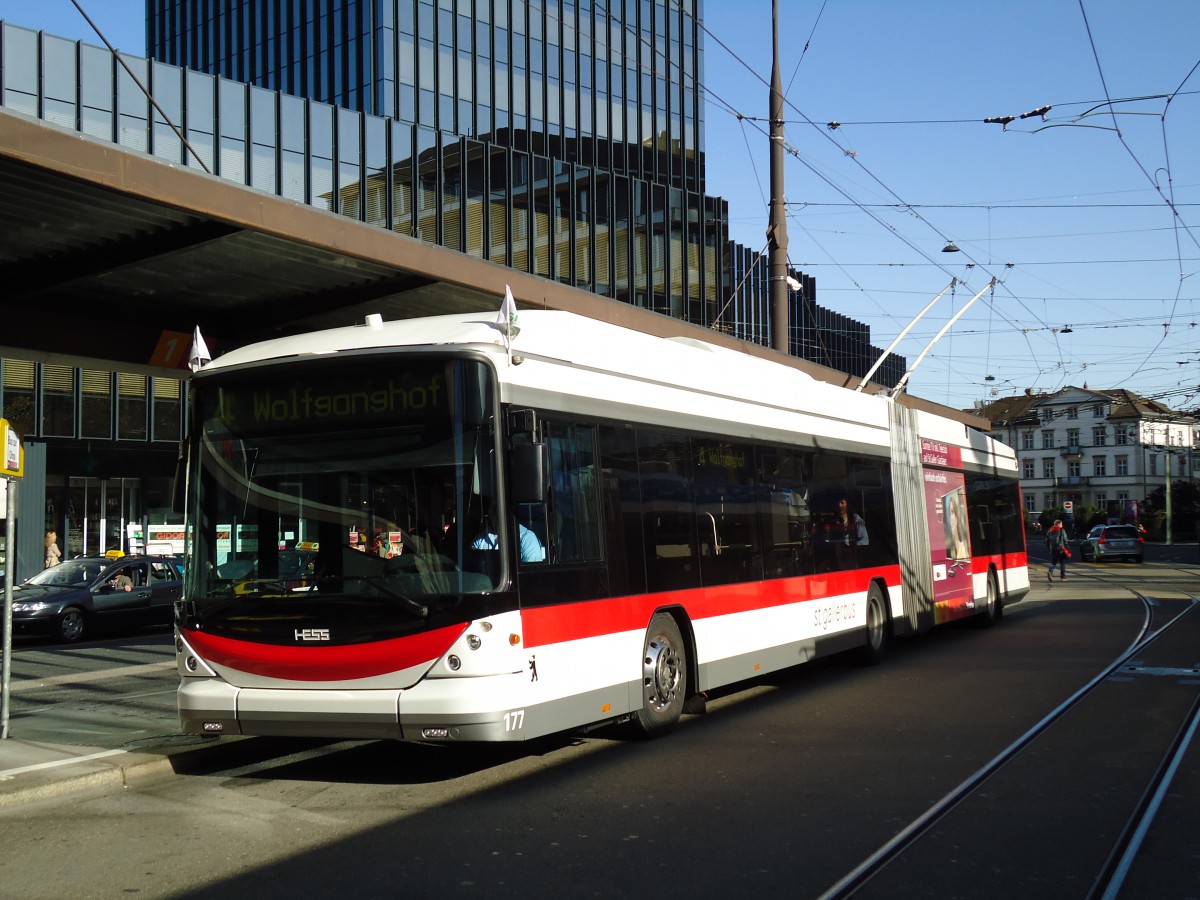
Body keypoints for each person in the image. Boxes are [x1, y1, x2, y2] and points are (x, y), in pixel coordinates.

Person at [472, 521, 546, 562]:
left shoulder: (527, 538)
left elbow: (530, 575)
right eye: (493, 508)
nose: (494, 513)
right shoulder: (480, 540)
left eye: (498, 508)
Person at [1045, 518, 1069, 582]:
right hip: (1061, 548)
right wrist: (1067, 547)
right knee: (1062, 562)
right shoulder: (1062, 530)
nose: (1062, 525)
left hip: (1053, 549)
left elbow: (1047, 541)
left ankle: (1050, 571)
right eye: (1061, 524)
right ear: (1058, 524)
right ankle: (1063, 577)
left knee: (1053, 562)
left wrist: (1049, 548)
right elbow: (1065, 540)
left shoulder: (1050, 531)